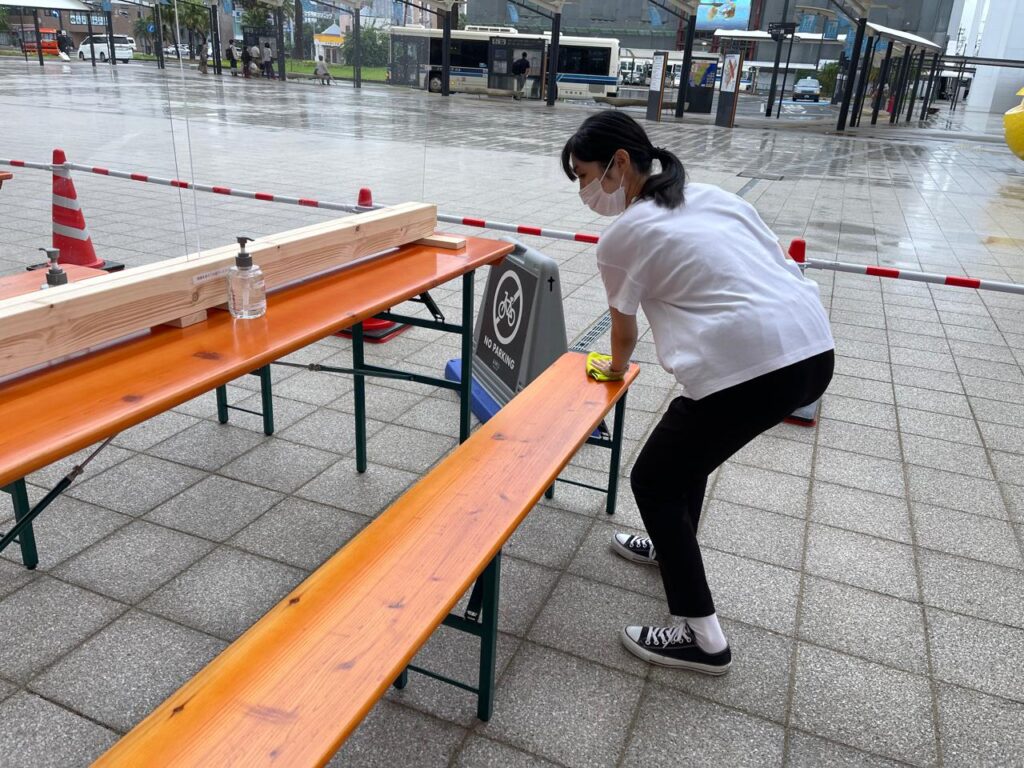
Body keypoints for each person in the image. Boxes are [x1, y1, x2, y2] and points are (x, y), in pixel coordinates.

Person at [561, 112, 834, 675]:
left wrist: (612, 371)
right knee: (687, 460)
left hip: (753, 366)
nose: (586, 191)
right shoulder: (712, 196)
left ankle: (701, 637)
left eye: (585, 175)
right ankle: (667, 547)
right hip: (813, 348)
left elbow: (623, 331)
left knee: (653, 479)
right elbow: (778, 262)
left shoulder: (624, 236)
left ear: (619, 162)